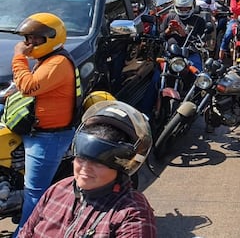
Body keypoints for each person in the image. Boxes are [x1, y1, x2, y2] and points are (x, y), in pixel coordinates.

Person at [18, 100, 157, 237]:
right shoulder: (59, 189)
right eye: (81, 158)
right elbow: (26, 232)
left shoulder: (132, 213)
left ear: (121, 165)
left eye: (98, 163)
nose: (85, 168)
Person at [11, 13, 81, 234]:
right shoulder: (48, 58)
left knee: (35, 191)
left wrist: (18, 57)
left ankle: (26, 232)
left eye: (34, 39)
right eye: (27, 39)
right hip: (34, 127)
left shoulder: (58, 62)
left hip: (48, 135)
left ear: (51, 38)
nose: (28, 44)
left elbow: (28, 86)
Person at [159, 0, 207, 70]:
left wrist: (183, 33)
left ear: (192, 6)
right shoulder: (169, 17)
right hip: (169, 54)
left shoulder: (199, 20)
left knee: (197, 73)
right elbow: (160, 37)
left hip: (190, 54)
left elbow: (200, 41)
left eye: (186, 8)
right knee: (156, 76)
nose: (183, 10)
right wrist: (168, 30)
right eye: (180, 8)